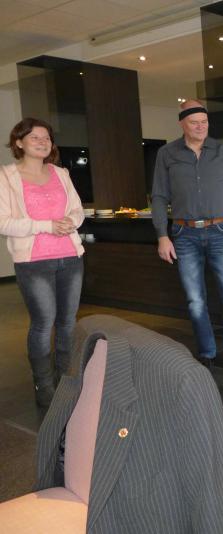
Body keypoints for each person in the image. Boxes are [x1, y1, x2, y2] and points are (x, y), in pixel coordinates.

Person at [151, 100, 223, 373]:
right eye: (194, 122)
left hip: (221, 231)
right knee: (195, 301)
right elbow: (159, 196)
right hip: (183, 234)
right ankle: (207, 352)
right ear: (182, 124)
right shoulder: (167, 153)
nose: (200, 127)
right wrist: (162, 235)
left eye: (204, 122)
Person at [0, 118, 85, 407]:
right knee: (44, 322)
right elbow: (4, 222)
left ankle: (65, 380)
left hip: (70, 257)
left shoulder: (61, 173)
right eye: (34, 137)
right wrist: (46, 225)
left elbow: (77, 210)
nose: (42, 141)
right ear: (19, 142)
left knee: (68, 323)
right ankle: (44, 385)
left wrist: (71, 221)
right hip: (34, 261)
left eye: (46, 137)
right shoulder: (7, 176)